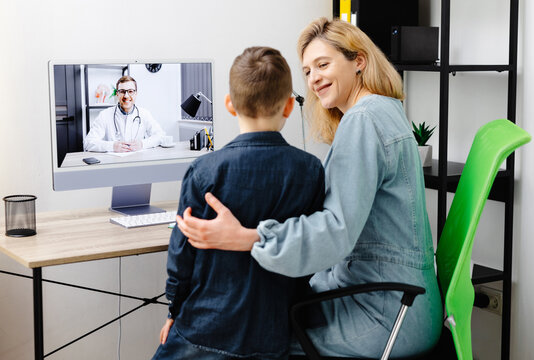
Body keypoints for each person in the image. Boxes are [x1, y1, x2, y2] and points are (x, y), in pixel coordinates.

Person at [177, 17, 443, 358]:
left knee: (250, 335)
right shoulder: (385, 110)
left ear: (359, 61)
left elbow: (336, 230)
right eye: (307, 71)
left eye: (323, 64)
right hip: (399, 301)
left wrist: (246, 237)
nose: (314, 78)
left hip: (387, 314)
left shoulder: (363, 120)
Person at [152, 46, 325, 360]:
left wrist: (173, 310)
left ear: (230, 105)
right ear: (289, 106)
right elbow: (310, 251)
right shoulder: (311, 171)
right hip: (274, 332)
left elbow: (182, 255)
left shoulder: (203, 171)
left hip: (206, 328)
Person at [83, 75, 166, 152]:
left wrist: (142, 144)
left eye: (130, 91)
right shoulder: (104, 115)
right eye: (122, 91)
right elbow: (88, 143)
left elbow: (161, 136)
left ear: (136, 93)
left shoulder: (144, 114)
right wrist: (112, 146)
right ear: (117, 94)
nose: (126, 96)